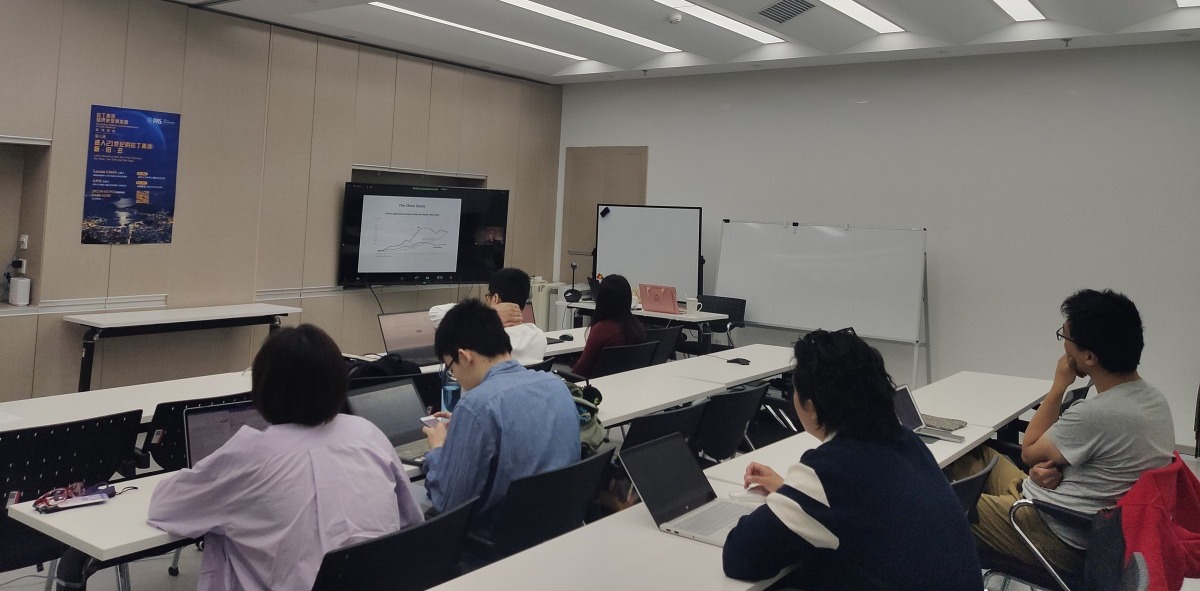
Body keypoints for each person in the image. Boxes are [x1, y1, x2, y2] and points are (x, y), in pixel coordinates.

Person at [146, 324, 423, 591]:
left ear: (262, 387)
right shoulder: (367, 433)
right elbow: (410, 522)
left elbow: (165, 507)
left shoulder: (249, 454)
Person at [722, 328, 982, 590]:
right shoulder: (906, 440)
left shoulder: (830, 470)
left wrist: (797, 495)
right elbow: (864, 504)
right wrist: (791, 492)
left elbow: (740, 556)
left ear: (812, 407)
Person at [945, 289, 1174, 573]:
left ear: (1088, 357)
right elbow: (1106, 466)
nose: (1064, 346)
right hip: (1063, 508)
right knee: (974, 455)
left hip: (1052, 531)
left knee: (936, 508)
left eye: (1065, 338)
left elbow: (1029, 451)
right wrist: (1054, 473)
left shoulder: (1097, 414)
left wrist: (1059, 385)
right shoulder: (1155, 400)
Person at [421, 299, 579, 528]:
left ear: (464, 356)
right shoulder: (556, 386)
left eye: (451, 368)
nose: (455, 376)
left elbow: (448, 505)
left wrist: (437, 450)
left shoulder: (475, 407)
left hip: (499, 540)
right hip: (560, 527)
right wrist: (467, 426)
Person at [429, 267, 547, 365]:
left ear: (495, 298)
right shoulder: (538, 336)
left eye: (488, 297)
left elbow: (435, 312)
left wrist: (488, 312)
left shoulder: (482, 337)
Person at [570, 274, 646, 378]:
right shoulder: (636, 326)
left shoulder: (602, 329)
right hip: (626, 382)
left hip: (597, 384)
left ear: (602, 299)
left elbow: (581, 369)